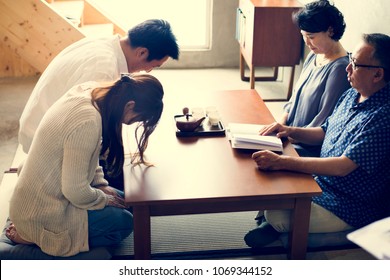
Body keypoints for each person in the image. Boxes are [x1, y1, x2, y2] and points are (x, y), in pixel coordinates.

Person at [245, 33, 390, 248]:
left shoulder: (383, 117)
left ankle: (279, 229)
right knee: (267, 189)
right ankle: (276, 228)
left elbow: (342, 167)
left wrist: (282, 162)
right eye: (350, 59)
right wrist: (287, 130)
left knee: (275, 212)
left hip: (348, 203)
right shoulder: (353, 93)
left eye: (355, 64)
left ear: (377, 74)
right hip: (319, 179)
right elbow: (324, 131)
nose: (347, 69)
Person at [7, 74, 165, 257]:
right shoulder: (88, 120)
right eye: (136, 119)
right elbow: (74, 191)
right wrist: (104, 199)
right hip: (43, 211)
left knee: (128, 202)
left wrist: (102, 186)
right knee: (124, 223)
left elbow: (87, 155)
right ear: (130, 105)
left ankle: (32, 228)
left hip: (44, 193)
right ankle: (33, 235)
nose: (132, 124)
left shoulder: (90, 92)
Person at [19, 19, 179, 154]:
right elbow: (83, 125)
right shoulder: (103, 70)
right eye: (153, 65)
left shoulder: (106, 43)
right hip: (41, 142)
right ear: (142, 53)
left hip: (34, 125)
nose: (148, 71)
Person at [281, 0, 351, 157]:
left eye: (311, 37)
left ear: (330, 31)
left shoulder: (340, 69)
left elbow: (323, 124)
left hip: (307, 147)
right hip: (289, 136)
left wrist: (288, 136)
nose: (306, 42)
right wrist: (281, 124)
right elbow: (293, 101)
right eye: (303, 35)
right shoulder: (314, 55)